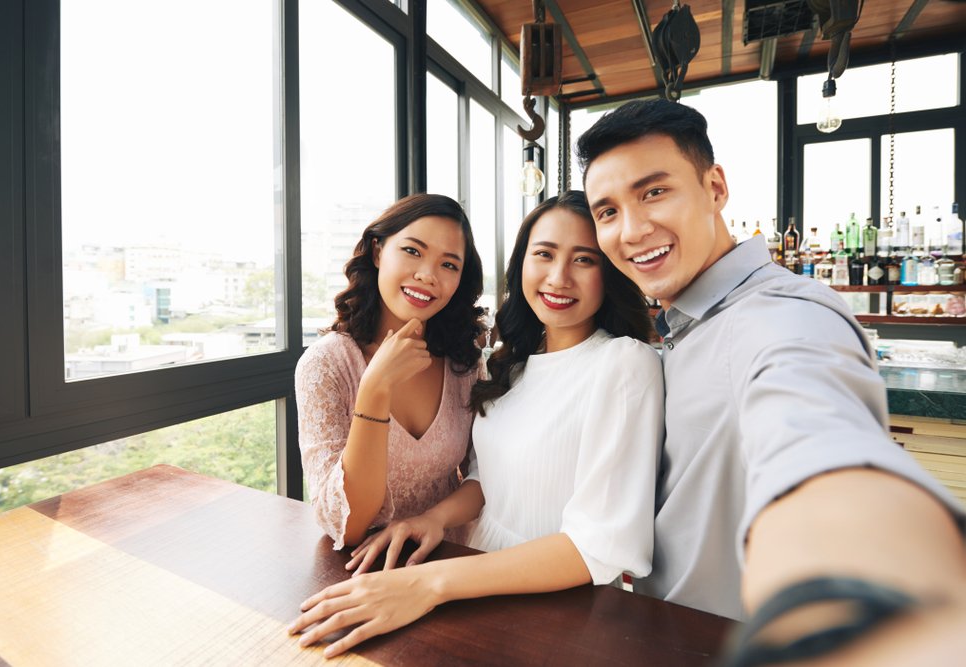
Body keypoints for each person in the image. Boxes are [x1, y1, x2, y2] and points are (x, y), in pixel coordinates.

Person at [578, 98, 966, 663]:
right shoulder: (685, 322)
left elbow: (816, 438)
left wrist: (857, 599)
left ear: (715, 188)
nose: (632, 230)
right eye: (607, 211)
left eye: (654, 192)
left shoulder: (780, 315)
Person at [288, 191, 663, 658]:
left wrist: (427, 584)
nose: (558, 277)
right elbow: (489, 476)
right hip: (462, 577)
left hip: (540, 603)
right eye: (543, 254)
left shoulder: (623, 363)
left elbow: (601, 544)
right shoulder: (512, 366)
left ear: (608, 272)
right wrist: (433, 519)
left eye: (584, 260)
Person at [294, 193, 484, 550]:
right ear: (378, 252)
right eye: (413, 251)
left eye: (449, 265)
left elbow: (485, 476)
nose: (427, 275)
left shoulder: (465, 365)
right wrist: (374, 388)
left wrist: (433, 520)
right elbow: (345, 526)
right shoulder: (327, 364)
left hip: (449, 560)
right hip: (357, 571)